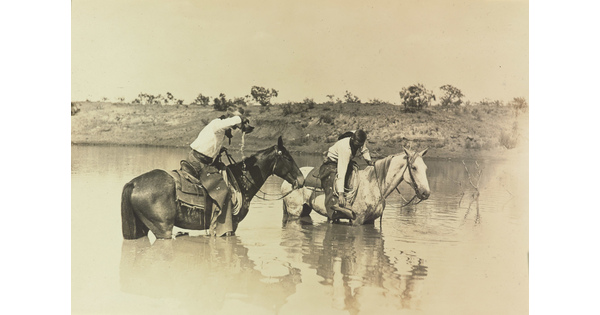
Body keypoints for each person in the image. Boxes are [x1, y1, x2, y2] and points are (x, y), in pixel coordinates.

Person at [319, 129, 374, 220]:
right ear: (352, 139)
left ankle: (350, 199)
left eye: (360, 144)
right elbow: (342, 171)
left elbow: (364, 150)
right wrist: (340, 194)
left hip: (347, 159)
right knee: (333, 179)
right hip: (333, 161)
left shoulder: (359, 138)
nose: (359, 147)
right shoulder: (345, 149)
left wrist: (369, 160)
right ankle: (334, 208)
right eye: (357, 145)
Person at [187, 108, 250, 175]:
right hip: (198, 161)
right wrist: (240, 118)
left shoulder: (220, 128)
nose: (234, 126)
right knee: (220, 182)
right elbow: (226, 124)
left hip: (204, 160)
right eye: (235, 124)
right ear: (229, 118)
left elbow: (230, 134)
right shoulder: (217, 123)